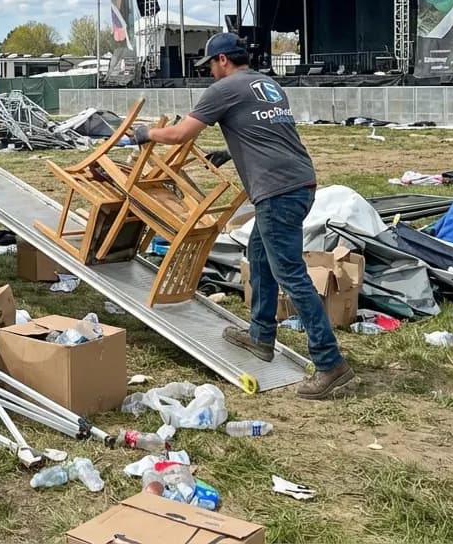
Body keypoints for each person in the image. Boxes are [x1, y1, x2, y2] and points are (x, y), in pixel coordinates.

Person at [132, 32, 355, 400]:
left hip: (277, 191)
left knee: (291, 275)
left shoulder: (225, 89)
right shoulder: (266, 84)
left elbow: (180, 134)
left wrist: (146, 133)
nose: (210, 75)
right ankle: (260, 335)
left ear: (223, 61)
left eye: (211, 67)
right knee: (259, 255)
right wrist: (230, 149)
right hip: (299, 182)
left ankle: (330, 364)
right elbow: (266, 136)